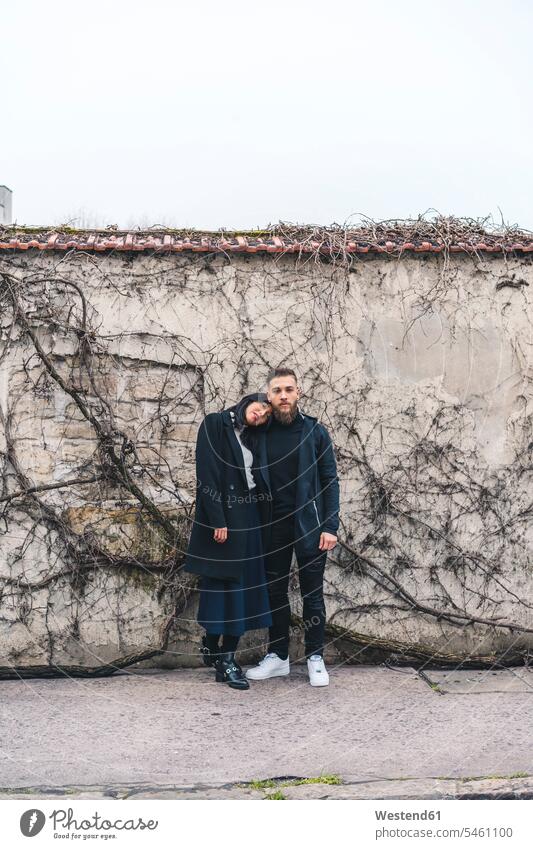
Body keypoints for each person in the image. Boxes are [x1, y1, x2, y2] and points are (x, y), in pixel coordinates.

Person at [246, 367, 340, 687]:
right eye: (277, 391)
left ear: (298, 392)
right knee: (275, 592)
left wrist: (330, 525)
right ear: (268, 397)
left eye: (289, 389)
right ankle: (279, 657)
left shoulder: (315, 432)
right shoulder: (259, 433)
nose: (283, 395)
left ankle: (315, 657)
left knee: (313, 594)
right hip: (272, 526)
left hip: (310, 526)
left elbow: (330, 481)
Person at [183, 393, 273, 690]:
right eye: (260, 406)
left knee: (243, 591)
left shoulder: (254, 437)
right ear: (248, 401)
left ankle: (223, 656)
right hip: (225, 517)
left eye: (267, 414)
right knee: (224, 588)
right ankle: (219, 650)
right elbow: (206, 474)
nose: (261, 414)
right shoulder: (215, 424)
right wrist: (218, 519)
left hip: (250, 517)